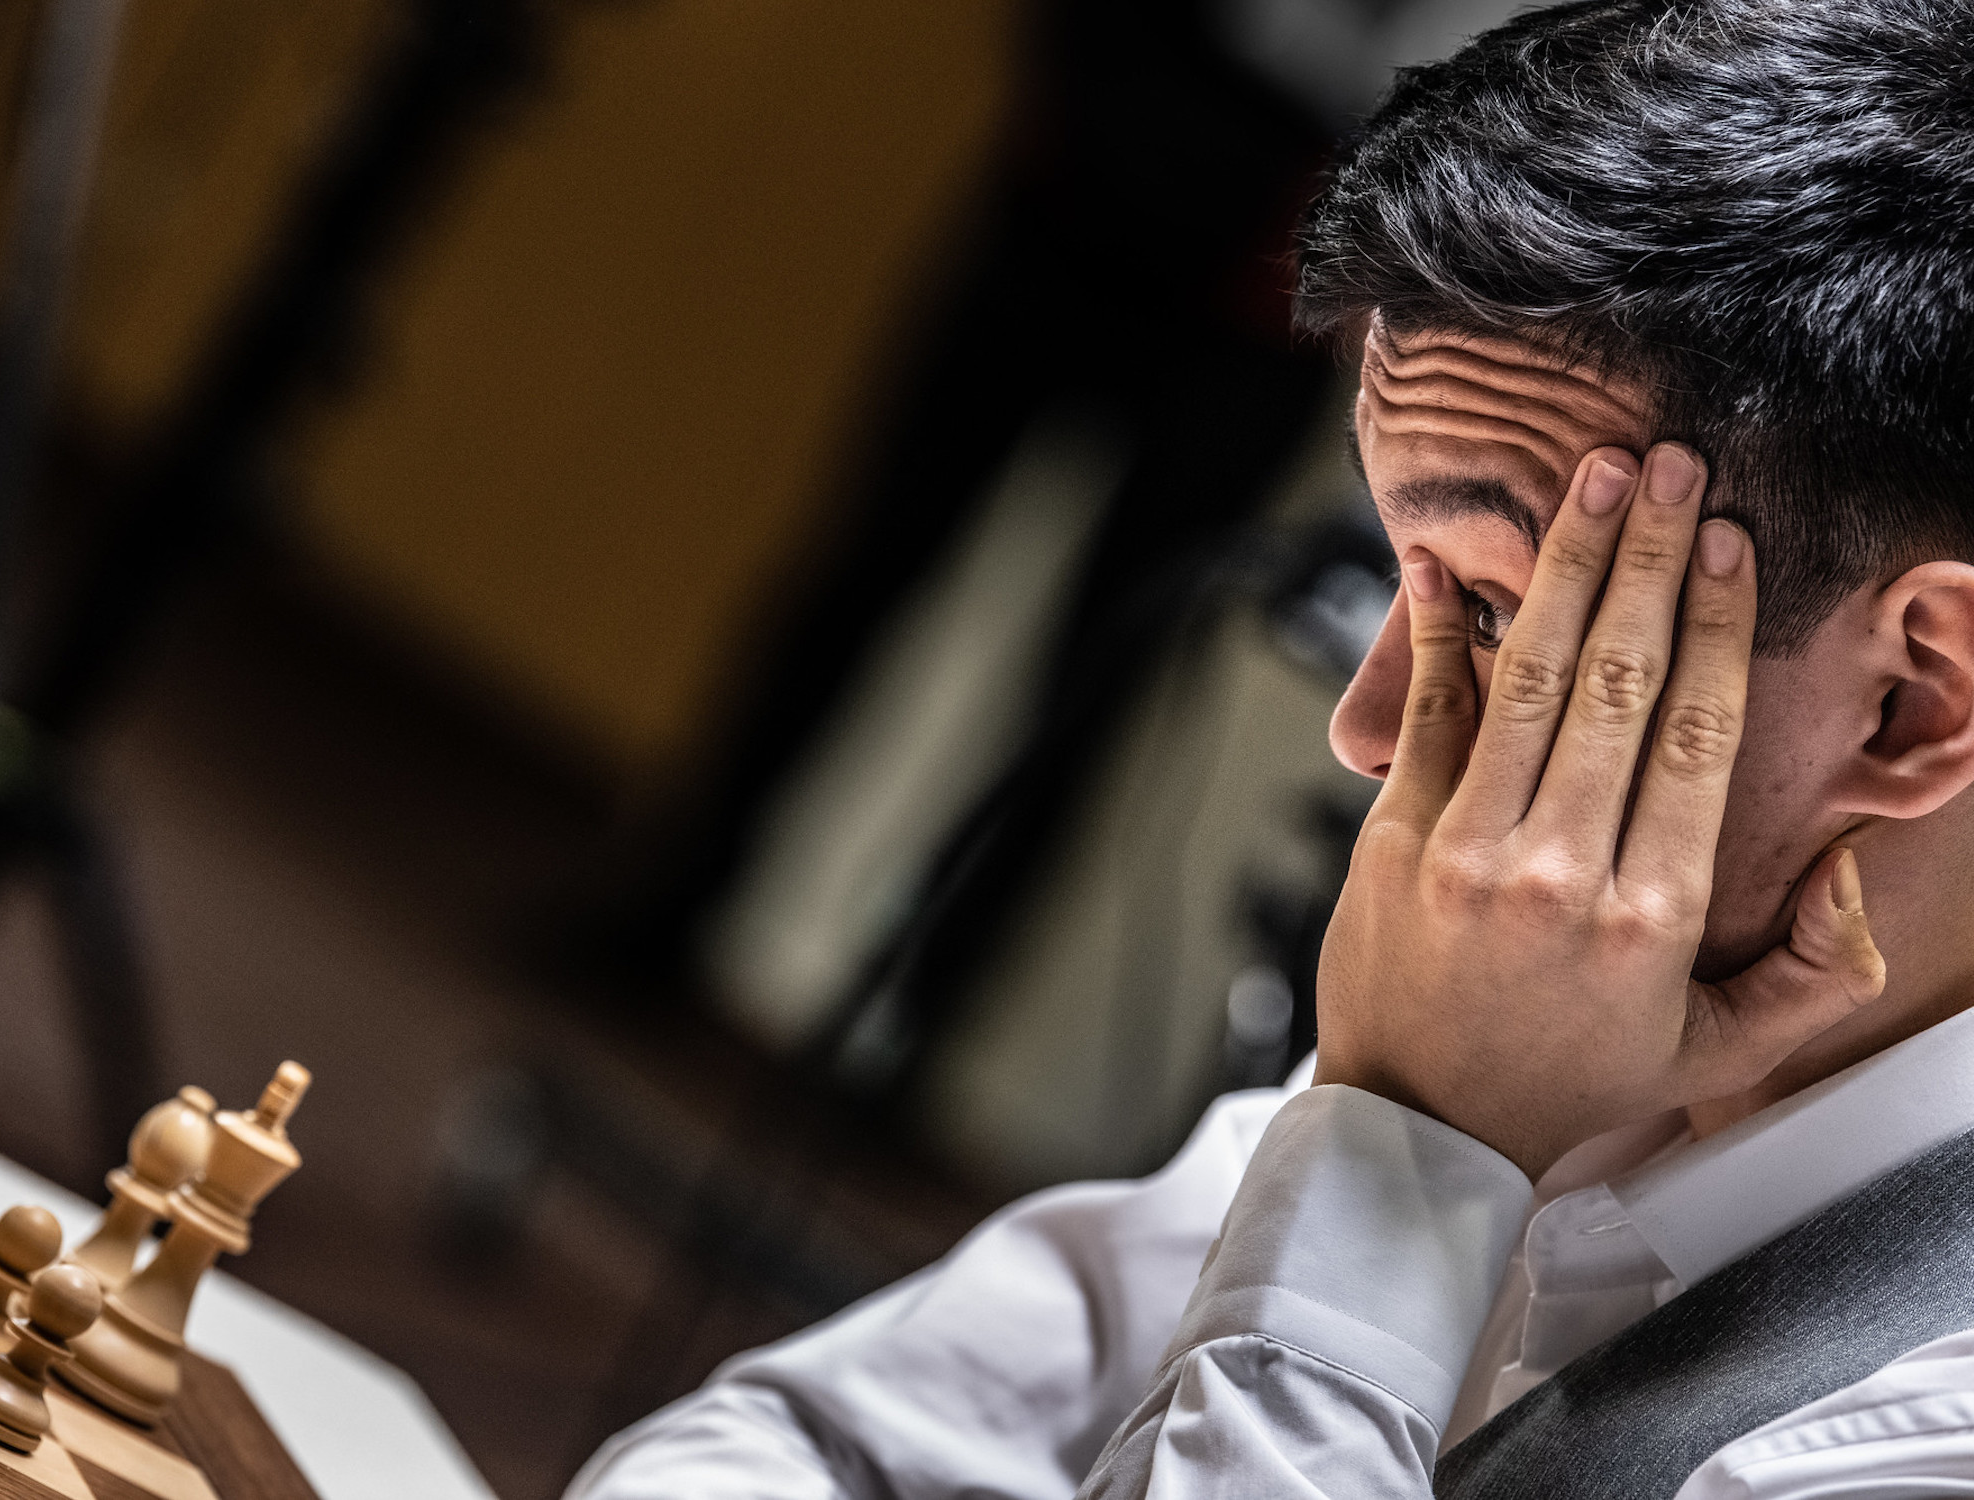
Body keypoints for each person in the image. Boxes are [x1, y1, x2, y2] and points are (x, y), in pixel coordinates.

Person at [567, 0, 1974, 1493]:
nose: (1368, 729)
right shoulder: (1554, 1023)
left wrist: (1412, 1158)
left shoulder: (1916, 1418)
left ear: (1915, 706)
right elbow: (797, 1442)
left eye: (1501, 617)